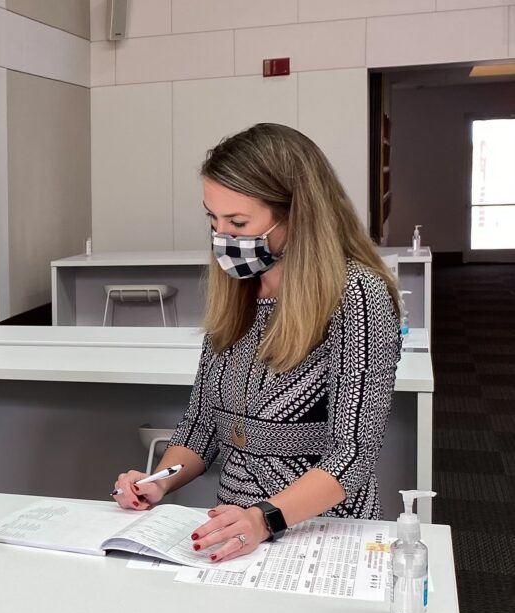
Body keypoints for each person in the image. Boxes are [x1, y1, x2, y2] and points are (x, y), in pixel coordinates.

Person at [112, 123, 402, 563]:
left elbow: (353, 453)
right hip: (237, 534)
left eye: (238, 222)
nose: (222, 236)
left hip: (323, 532)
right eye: (213, 219)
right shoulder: (240, 291)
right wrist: (159, 481)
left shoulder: (357, 294)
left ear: (296, 214)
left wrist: (265, 518)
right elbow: (202, 425)